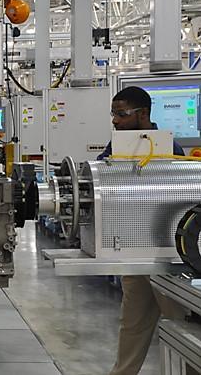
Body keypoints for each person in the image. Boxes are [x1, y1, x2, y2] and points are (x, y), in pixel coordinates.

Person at [102, 86, 192, 375]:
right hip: (134, 251)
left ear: (142, 114)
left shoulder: (171, 149)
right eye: (113, 114)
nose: (115, 121)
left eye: (121, 114)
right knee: (132, 325)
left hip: (168, 258)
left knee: (182, 327)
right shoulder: (117, 146)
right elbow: (99, 174)